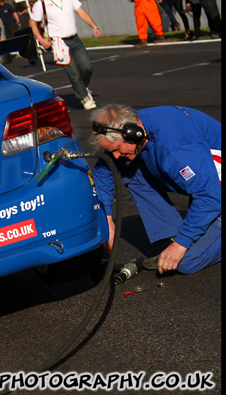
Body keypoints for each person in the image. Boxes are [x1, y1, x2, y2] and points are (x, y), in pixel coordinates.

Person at [90, 104, 221, 275]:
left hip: (214, 192)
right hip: (206, 180)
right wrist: (107, 218)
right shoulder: (136, 127)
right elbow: (104, 169)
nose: (115, 155)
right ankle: (172, 235)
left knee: (186, 262)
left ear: (131, 134)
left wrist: (181, 245)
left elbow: (210, 197)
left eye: (116, 149)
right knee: (130, 170)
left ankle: (181, 242)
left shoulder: (175, 148)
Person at [29, 0, 102, 110]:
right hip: (59, 42)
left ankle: (82, 88)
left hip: (74, 38)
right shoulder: (41, 3)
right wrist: (40, 39)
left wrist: (94, 26)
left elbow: (81, 12)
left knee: (87, 67)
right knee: (73, 72)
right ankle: (84, 98)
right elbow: (32, 23)